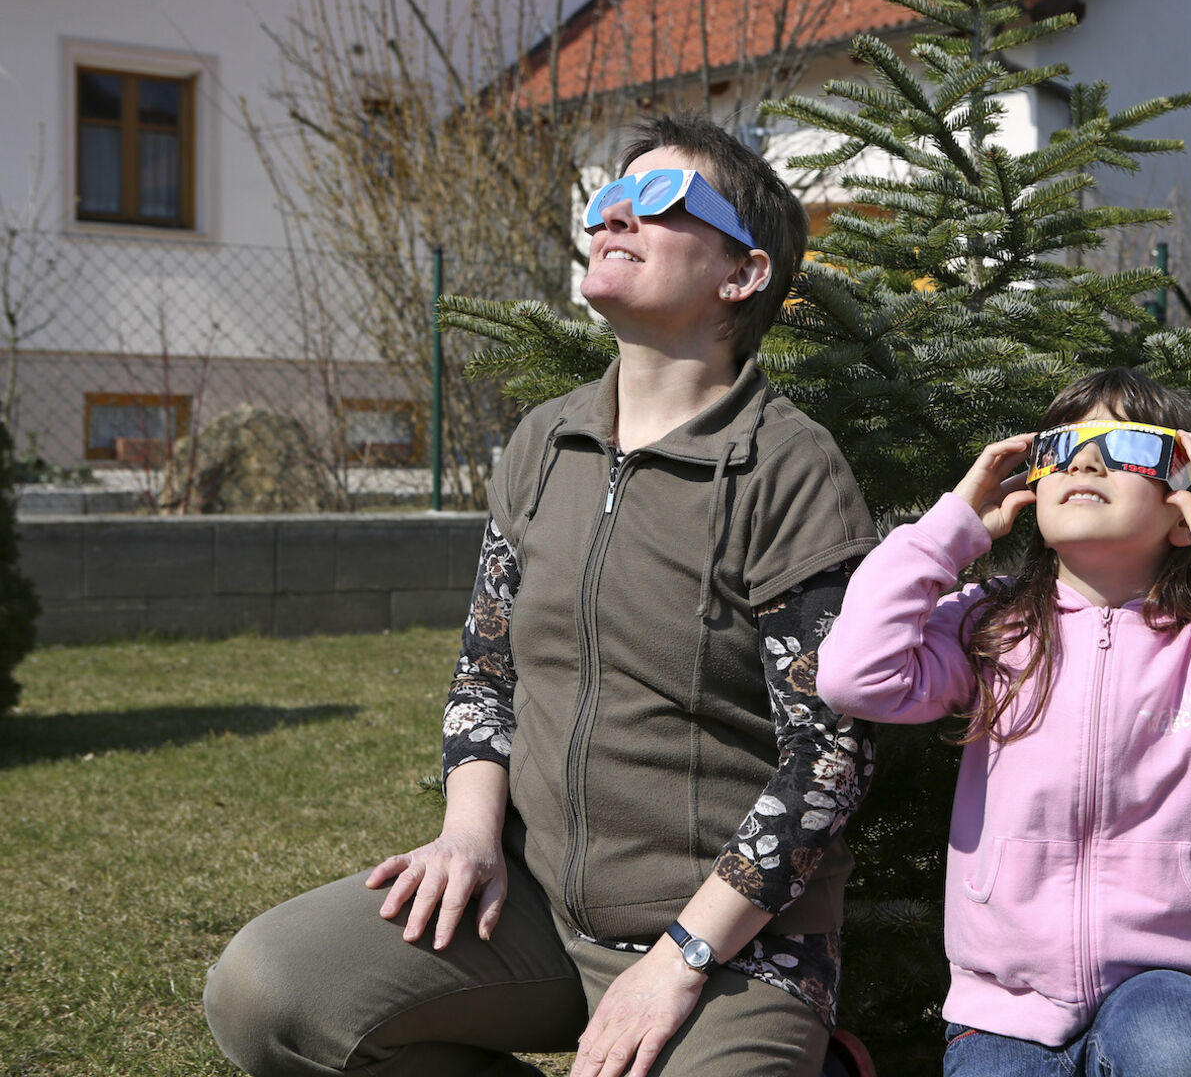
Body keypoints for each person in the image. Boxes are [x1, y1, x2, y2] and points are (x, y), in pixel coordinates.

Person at [205, 113, 880, 1077]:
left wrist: (682, 957)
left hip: (734, 945)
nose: (616, 217)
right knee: (268, 995)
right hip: (532, 906)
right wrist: (468, 839)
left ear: (742, 274)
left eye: (660, 200)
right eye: (610, 198)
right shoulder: (542, 443)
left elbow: (830, 759)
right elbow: (486, 673)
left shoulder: (785, 467)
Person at [817, 368, 1191, 1076]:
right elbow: (854, 677)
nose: (1085, 461)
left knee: (1174, 1058)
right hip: (1003, 1000)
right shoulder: (991, 623)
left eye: (1127, 446)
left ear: (1182, 507)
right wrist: (949, 528)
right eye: (1061, 447)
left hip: (1172, 980)